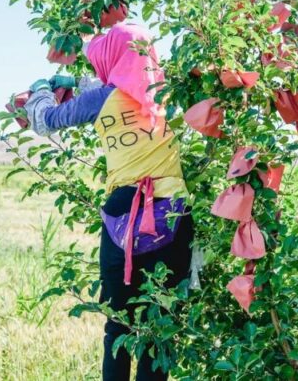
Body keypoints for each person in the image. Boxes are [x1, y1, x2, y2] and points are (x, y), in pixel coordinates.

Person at [23, 23, 194, 381]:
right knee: (160, 330)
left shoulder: (101, 99)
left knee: (117, 327)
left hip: (123, 215)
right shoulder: (167, 91)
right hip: (174, 213)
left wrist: (41, 89)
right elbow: (122, 84)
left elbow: (46, 120)